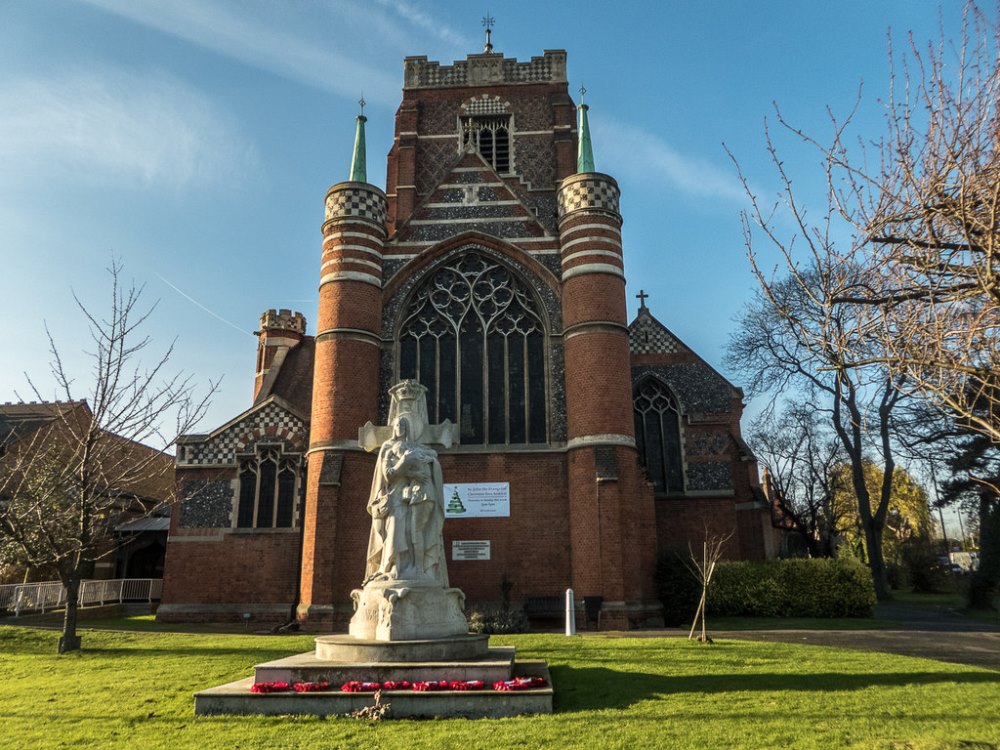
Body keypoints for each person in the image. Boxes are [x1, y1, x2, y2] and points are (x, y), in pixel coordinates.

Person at [363, 416, 448, 586]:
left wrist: (428, 460)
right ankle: (392, 567)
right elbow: (388, 475)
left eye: (403, 425)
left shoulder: (413, 448)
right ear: (393, 427)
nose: (400, 427)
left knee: (410, 532)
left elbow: (431, 454)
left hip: (412, 497)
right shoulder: (387, 448)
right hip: (393, 498)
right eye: (397, 425)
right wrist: (405, 464)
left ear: (408, 428)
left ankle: (412, 568)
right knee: (395, 532)